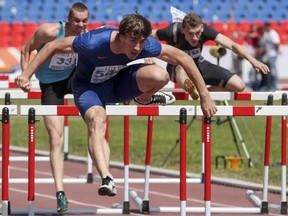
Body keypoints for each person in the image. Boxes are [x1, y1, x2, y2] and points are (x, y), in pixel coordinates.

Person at [15, 13, 217, 198]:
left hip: (118, 84)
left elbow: (182, 57)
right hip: (89, 87)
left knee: (160, 75)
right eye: (133, 41)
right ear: (120, 36)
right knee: (97, 121)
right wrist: (26, 75)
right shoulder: (93, 42)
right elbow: (52, 47)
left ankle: (143, 99)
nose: (137, 48)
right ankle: (106, 177)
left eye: (141, 42)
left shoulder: (144, 45)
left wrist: (205, 95)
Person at [20, 2, 89, 213]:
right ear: (68, 19)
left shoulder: (85, 36)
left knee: (97, 111)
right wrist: (26, 77)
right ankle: (60, 192)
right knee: (55, 136)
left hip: (73, 77)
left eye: (85, 21)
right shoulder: (49, 31)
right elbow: (25, 50)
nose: (80, 25)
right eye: (76, 21)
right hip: (50, 85)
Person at [148, 12, 270, 96]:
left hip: (199, 64)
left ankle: (203, 93)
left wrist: (252, 60)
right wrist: (147, 55)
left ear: (201, 28)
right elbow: (146, 35)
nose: (195, 38)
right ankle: (191, 88)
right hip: (176, 67)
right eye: (190, 33)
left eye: (198, 33)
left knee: (239, 85)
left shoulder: (206, 30)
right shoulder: (172, 31)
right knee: (181, 67)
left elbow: (231, 45)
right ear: (183, 29)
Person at [262, 22, 280, 90]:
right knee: (270, 70)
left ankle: (274, 85)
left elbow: (276, 43)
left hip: (272, 54)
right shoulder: (268, 34)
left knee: (273, 70)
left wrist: (276, 51)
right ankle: (270, 85)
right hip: (269, 54)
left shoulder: (273, 33)